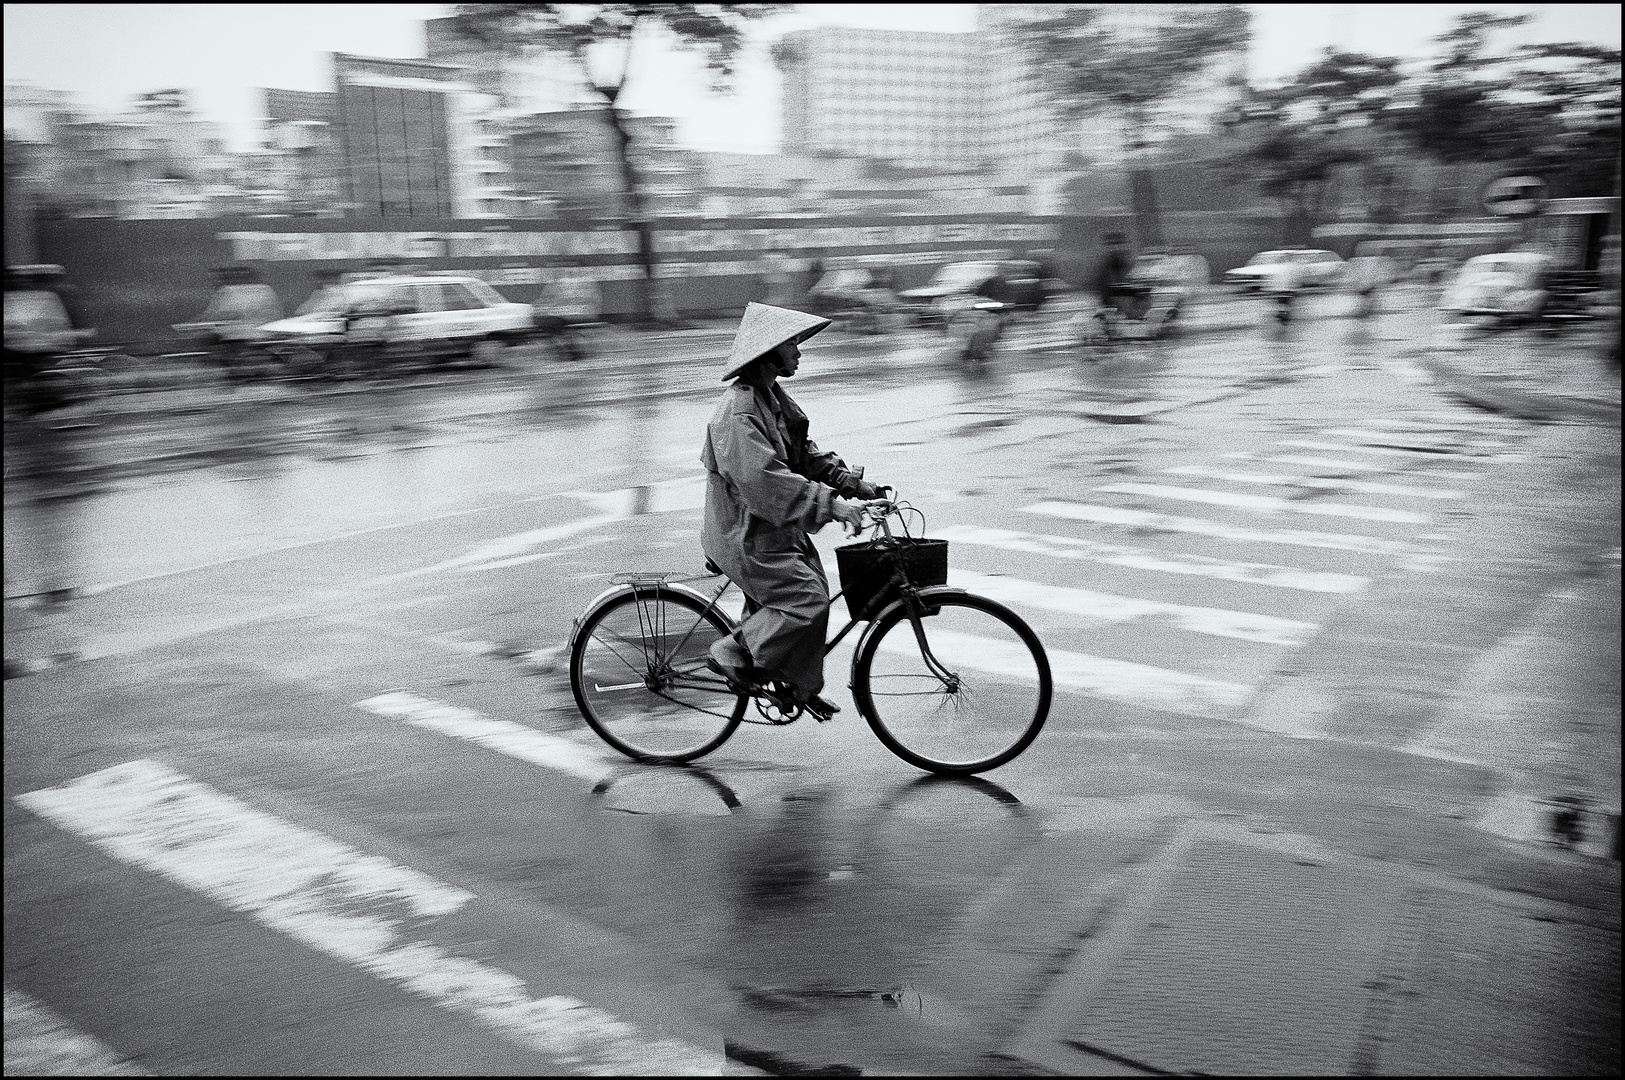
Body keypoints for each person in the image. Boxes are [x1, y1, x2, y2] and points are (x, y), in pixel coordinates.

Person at [700, 302, 891, 722]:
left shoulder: (770, 399)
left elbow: (804, 456)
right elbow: (767, 483)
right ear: (768, 352)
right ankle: (732, 648)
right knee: (805, 600)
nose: (800, 349)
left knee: (813, 586)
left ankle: (793, 684)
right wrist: (834, 507)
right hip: (744, 533)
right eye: (791, 343)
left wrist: (853, 484)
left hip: (770, 529)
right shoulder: (739, 412)